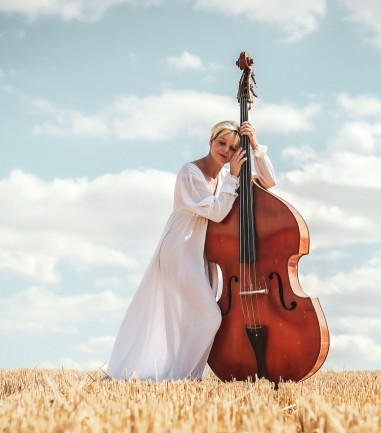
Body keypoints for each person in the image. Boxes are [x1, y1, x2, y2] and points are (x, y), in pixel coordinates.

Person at [107, 120, 276, 380]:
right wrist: (233, 176)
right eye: (221, 143)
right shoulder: (190, 173)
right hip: (180, 247)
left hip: (204, 253)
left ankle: (184, 377)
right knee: (209, 316)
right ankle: (181, 379)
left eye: (233, 148)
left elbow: (268, 181)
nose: (225, 151)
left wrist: (254, 146)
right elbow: (217, 212)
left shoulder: (224, 176)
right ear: (210, 141)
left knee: (197, 317)